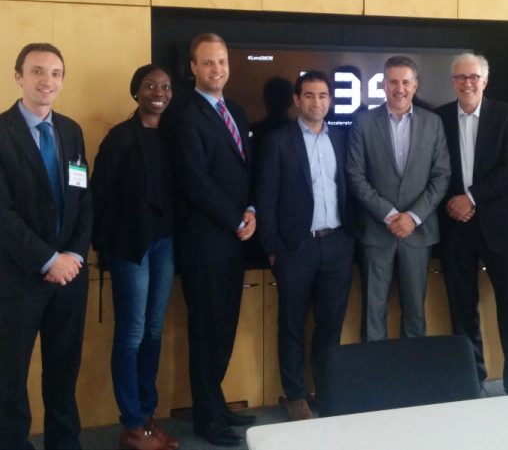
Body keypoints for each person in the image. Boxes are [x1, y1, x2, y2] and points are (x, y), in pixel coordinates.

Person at [0, 43, 92, 450]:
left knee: (63, 373)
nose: (47, 81)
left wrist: (73, 255)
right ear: (18, 77)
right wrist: (46, 259)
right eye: (37, 71)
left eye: (55, 73)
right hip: (18, 277)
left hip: (69, 277)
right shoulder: (2, 132)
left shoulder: (71, 131)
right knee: (9, 377)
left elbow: (83, 198)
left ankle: (64, 443)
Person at [171, 33, 256, 447]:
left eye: (221, 61)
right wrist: (234, 219)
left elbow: (245, 169)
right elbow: (195, 181)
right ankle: (206, 418)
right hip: (204, 242)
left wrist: (251, 209)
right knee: (206, 332)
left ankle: (216, 403)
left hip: (233, 241)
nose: (216, 69)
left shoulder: (235, 110)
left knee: (223, 328)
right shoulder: (184, 114)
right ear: (193, 67)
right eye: (207, 62)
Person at [257, 70, 355, 421]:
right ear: (297, 100)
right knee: (292, 324)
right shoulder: (278, 141)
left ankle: (326, 390)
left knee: (330, 324)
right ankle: (295, 394)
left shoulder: (341, 138)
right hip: (295, 247)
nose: (317, 102)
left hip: (337, 244)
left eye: (323, 95)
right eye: (309, 95)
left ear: (331, 100)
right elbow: (266, 197)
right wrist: (272, 248)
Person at [91, 65, 179, 450]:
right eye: (150, 86)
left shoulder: (174, 136)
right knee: (132, 333)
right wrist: (101, 247)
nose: (159, 92)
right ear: (136, 92)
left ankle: (146, 417)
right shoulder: (120, 137)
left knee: (154, 332)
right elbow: (98, 195)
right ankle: (131, 424)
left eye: (165, 86)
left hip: (165, 244)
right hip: (129, 247)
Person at [435, 53, 508, 394]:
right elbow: (433, 169)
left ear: (484, 81)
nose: (467, 83)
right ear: (453, 82)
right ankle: (472, 379)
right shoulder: (439, 118)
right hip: (455, 225)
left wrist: (471, 197)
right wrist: (454, 202)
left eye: (473, 77)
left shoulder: (506, 115)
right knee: (461, 308)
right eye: (460, 77)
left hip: (498, 226)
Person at [347, 55, 451, 341]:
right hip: (376, 231)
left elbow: (442, 175)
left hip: (418, 232)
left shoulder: (433, 123)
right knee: (373, 312)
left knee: (415, 312)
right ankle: (375, 369)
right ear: (384, 84)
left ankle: (411, 368)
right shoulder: (363, 122)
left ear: (415, 85)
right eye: (393, 82)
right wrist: (390, 215)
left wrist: (413, 217)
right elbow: (355, 175)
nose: (399, 88)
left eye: (406, 82)